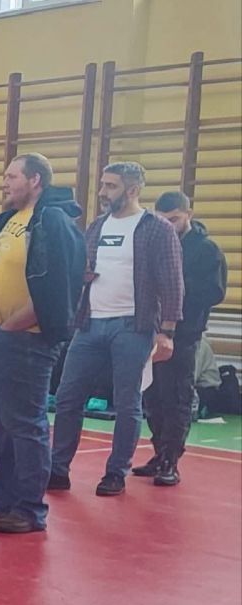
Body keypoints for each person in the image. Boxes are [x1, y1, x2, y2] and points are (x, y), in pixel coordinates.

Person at [48, 161, 184, 496]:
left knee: (127, 402)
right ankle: (57, 468)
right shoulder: (97, 226)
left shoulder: (156, 228)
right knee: (67, 397)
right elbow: (84, 267)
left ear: (133, 190)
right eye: (102, 185)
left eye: (111, 186)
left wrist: (166, 331)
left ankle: (115, 473)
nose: (102, 192)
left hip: (132, 326)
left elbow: (172, 281)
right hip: (89, 323)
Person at [0, 154, 85, 533]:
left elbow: (60, 284)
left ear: (35, 180)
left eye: (12, 176)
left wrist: (13, 325)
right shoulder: (9, 220)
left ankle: (30, 508)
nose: (4, 182)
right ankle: (3, 494)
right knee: (1, 421)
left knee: (25, 424)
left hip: (24, 338)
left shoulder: (53, 221)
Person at [133, 191, 227, 486]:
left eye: (174, 219)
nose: (169, 226)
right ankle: (159, 451)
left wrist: (175, 287)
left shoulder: (206, 250)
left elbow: (214, 292)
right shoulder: (154, 244)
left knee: (176, 397)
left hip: (183, 335)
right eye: (163, 220)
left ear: (189, 215)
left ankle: (171, 459)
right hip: (149, 330)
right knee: (151, 396)